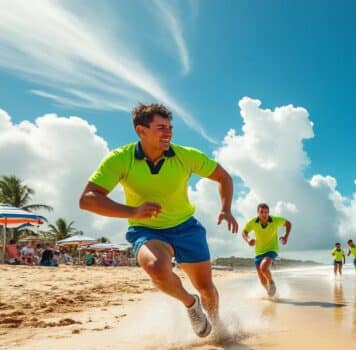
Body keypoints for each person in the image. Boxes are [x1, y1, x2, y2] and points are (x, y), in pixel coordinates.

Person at [79, 103, 238, 338]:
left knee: (207, 289)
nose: (169, 133)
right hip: (147, 229)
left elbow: (223, 177)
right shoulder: (120, 159)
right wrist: (133, 212)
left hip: (186, 227)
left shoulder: (186, 156)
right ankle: (190, 304)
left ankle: (218, 328)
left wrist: (226, 209)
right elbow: (88, 199)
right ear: (141, 130)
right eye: (161, 127)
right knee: (155, 266)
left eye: (170, 127)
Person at [242, 203, 291, 298]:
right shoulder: (253, 222)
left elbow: (288, 224)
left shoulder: (275, 220)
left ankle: (271, 282)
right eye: (262, 212)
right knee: (262, 280)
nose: (264, 214)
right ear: (258, 213)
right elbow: (244, 232)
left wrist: (285, 236)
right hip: (258, 252)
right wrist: (248, 240)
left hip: (272, 249)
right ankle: (270, 292)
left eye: (266, 212)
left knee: (263, 267)